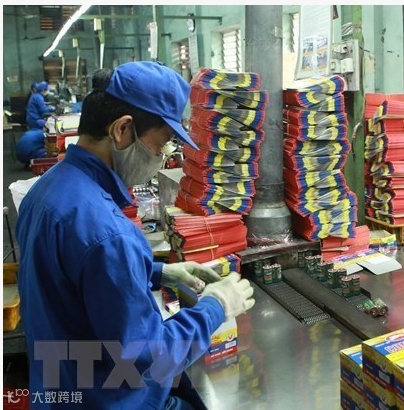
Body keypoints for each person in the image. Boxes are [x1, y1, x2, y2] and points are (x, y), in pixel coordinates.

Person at [16, 61, 255, 409]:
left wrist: (158, 271)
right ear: (123, 129)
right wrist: (216, 306)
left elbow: (74, 277)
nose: (163, 157)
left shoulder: (45, 190)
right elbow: (149, 357)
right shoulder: (107, 232)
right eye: (162, 144)